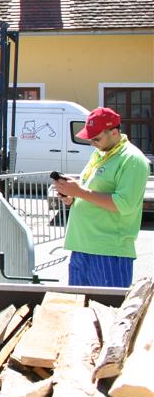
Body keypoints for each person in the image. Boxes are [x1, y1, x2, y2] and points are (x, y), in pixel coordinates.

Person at [53, 107, 147, 287]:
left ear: (114, 132)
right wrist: (72, 197)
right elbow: (90, 191)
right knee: (80, 311)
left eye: (96, 138)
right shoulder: (100, 153)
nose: (92, 143)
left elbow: (124, 205)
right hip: (81, 246)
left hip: (109, 250)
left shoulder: (133, 159)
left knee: (108, 311)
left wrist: (79, 192)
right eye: (89, 138)